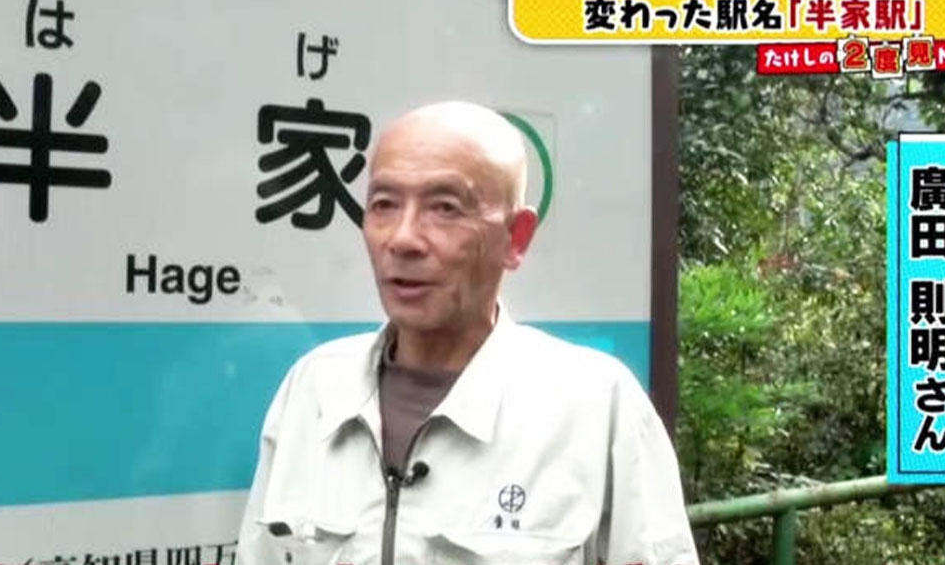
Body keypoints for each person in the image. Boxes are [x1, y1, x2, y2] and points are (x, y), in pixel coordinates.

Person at [235, 101, 699, 565]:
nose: (403, 238)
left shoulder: (596, 407)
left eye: (445, 208)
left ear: (516, 238)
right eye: (384, 205)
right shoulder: (313, 390)